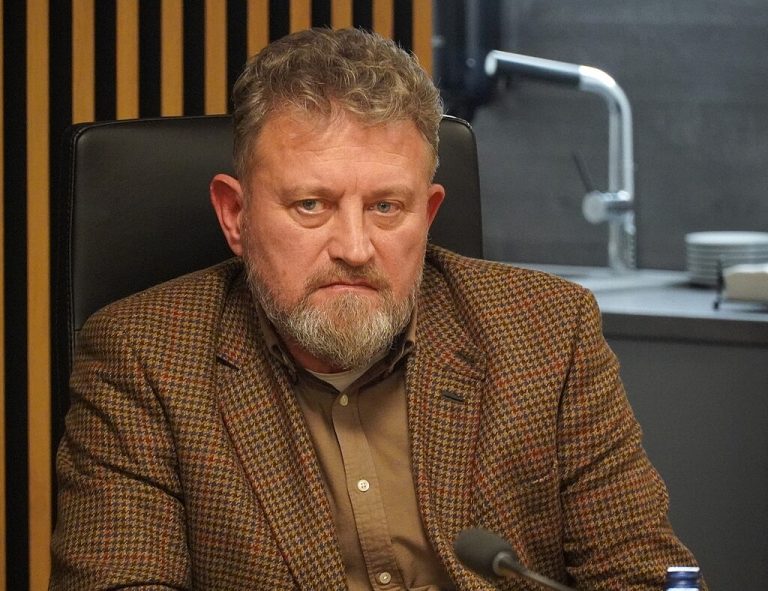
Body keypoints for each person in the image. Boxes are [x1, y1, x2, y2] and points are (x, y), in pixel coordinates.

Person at [50, 27, 704, 591]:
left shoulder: (548, 331)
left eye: (387, 207)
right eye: (311, 205)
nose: (356, 248)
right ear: (235, 214)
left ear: (429, 214)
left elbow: (641, 574)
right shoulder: (145, 357)